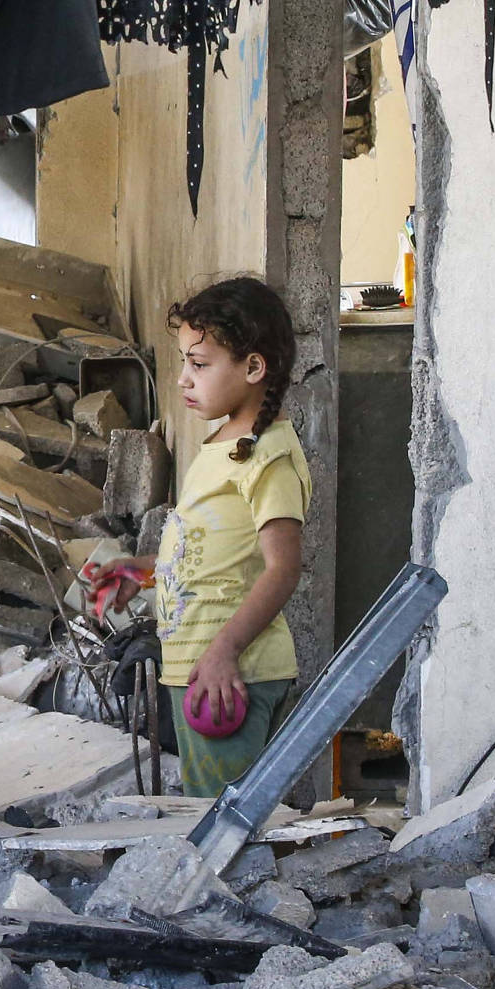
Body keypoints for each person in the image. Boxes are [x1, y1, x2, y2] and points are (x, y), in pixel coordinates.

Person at [151, 276, 312, 797]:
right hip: (200, 666)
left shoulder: (269, 456)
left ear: (253, 368)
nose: (183, 379)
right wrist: (141, 571)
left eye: (199, 365)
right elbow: (206, 551)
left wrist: (224, 651)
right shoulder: (223, 444)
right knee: (214, 809)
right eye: (184, 362)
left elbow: (283, 568)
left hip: (231, 673)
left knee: (223, 821)